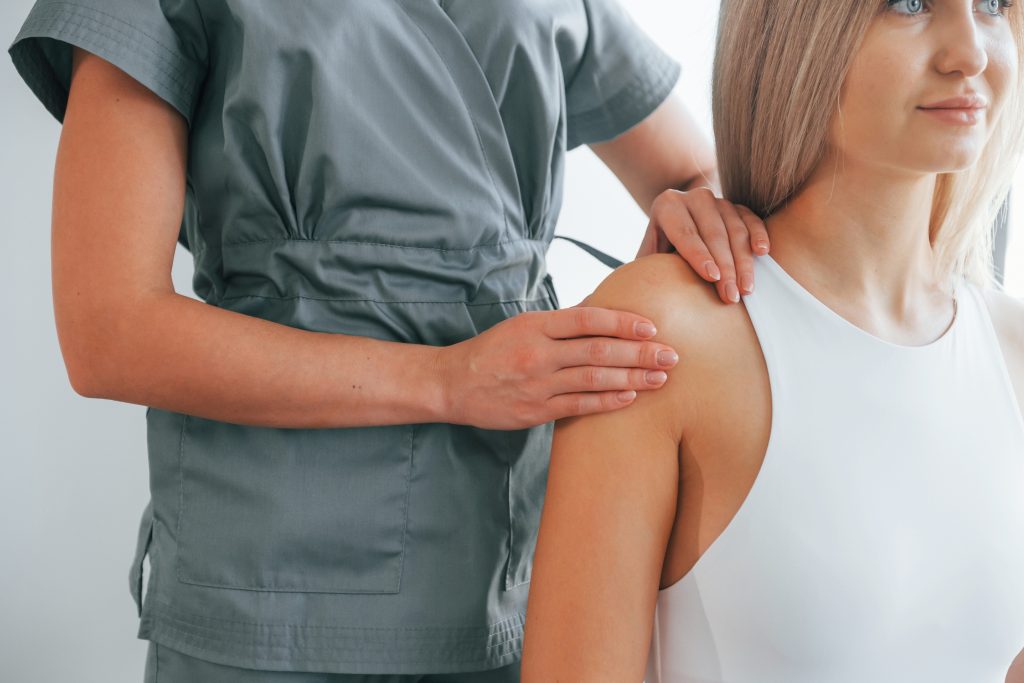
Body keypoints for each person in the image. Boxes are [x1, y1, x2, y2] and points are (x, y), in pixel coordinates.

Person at [6, 0, 771, 679]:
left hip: (513, 569)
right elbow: (106, 330)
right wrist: (449, 379)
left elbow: (693, 172)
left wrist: (697, 220)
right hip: (269, 590)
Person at [520, 0, 1024, 681]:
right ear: (797, 33)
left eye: (992, 4)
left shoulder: (1012, 351)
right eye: (909, 3)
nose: (971, 50)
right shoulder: (663, 335)